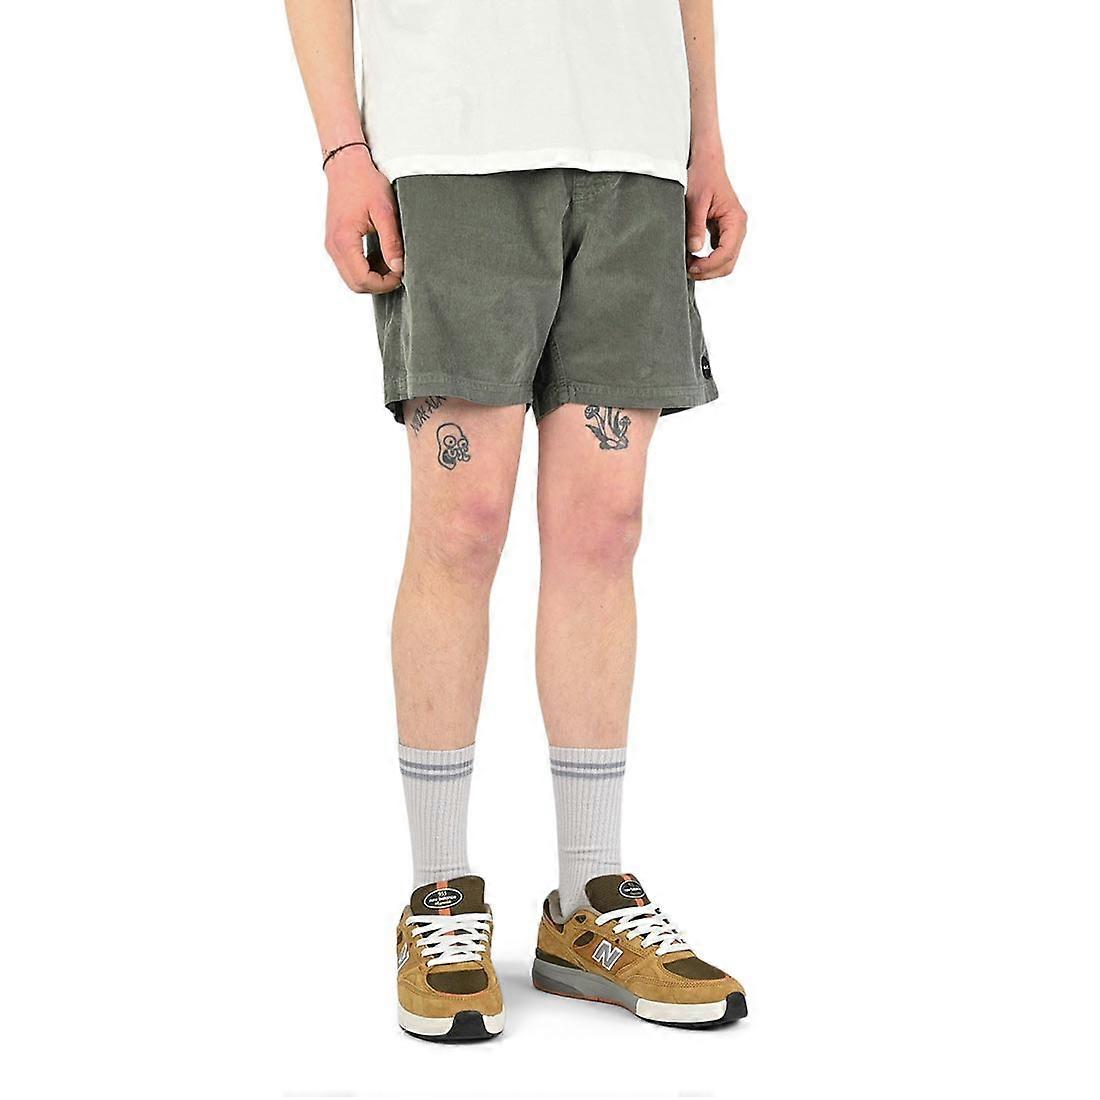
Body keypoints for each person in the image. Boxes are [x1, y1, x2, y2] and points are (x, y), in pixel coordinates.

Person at [286, 0, 749, 1041]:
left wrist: (706, 137)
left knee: (605, 525)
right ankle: (439, 890)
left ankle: (587, 898)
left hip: (635, 151)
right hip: (451, 140)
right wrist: (343, 153)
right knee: (463, 518)